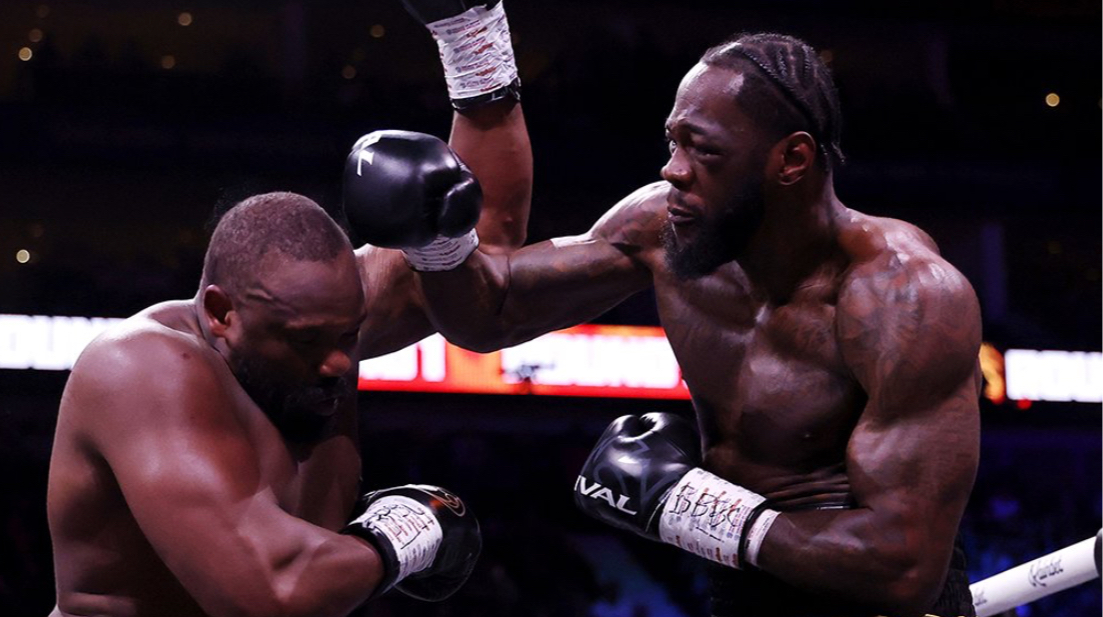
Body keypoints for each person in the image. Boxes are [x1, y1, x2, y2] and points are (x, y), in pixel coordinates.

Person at [353, 29, 982, 617]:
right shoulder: (664, 226)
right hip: (741, 588)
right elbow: (492, 312)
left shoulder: (906, 299)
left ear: (791, 160)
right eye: (673, 141)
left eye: (703, 150)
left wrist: (691, 508)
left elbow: (906, 568)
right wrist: (436, 239)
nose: (673, 170)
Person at [45, 1, 532, 614]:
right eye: (305, 340)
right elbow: (270, 595)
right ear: (222, 314)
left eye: (348, 335)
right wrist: (408, 532)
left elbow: (477, 248)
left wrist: (472, 36)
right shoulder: (140, 368)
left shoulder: (326, 319)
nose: (339, 363)